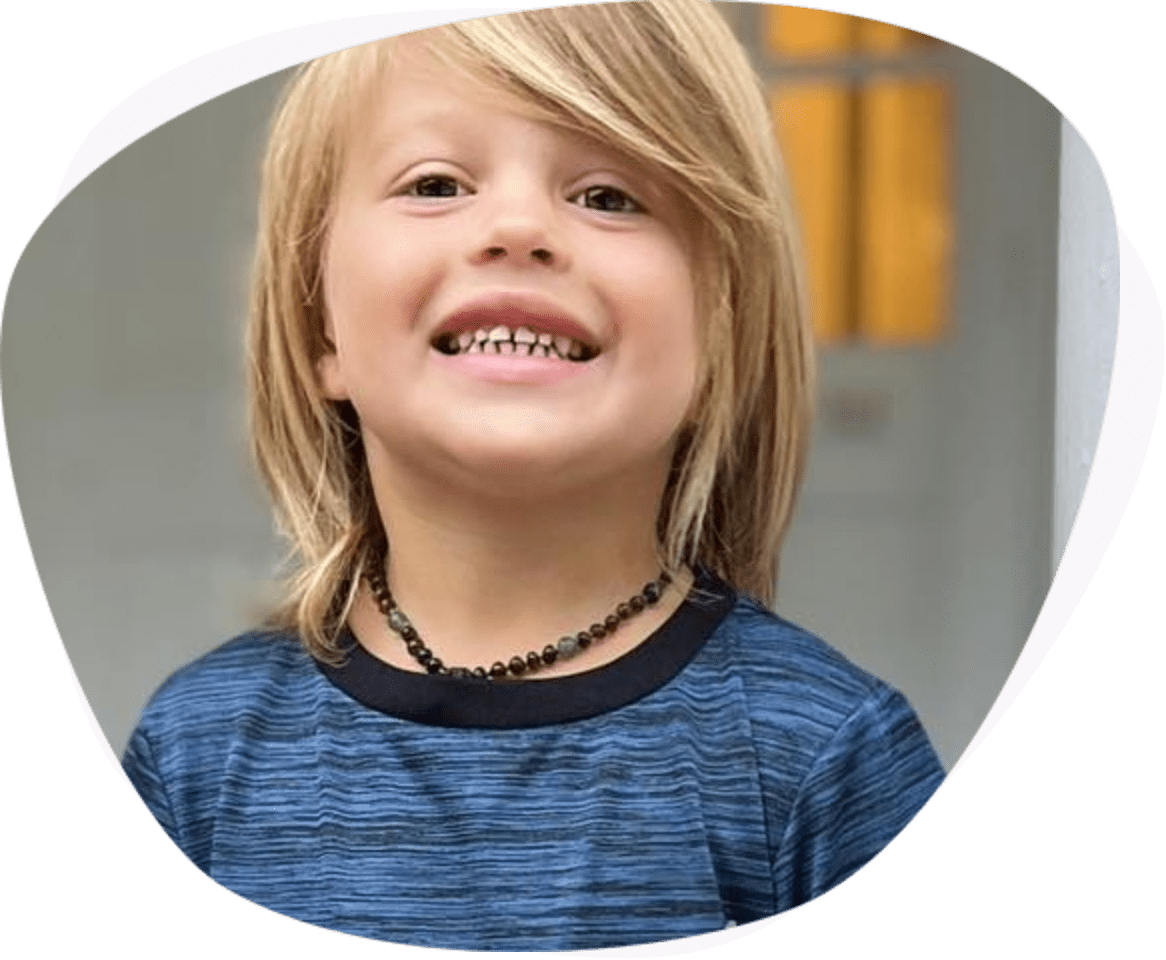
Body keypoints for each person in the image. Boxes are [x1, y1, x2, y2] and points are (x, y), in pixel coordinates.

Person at [121, 1, 946, 951]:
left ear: (720, 335)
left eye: (608, 196)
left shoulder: (826, 754)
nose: (518, 226)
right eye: (435, 184)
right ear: (319, 330)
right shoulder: (197, 752)